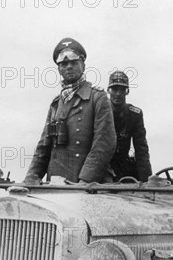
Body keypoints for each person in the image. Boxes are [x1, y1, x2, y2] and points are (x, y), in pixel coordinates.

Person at [25, 38, 116, 184]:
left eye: (74, 62)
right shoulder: (56, 104)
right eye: (64, 64)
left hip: (89, 185)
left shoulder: (98, 97)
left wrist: (85, 181)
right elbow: (44, 146)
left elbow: (104, 144)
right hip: (57, 183)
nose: (69, 67)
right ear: (59, 69)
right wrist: (31, 178)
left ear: (83, 65)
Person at [107, 71, 152, 182]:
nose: (118, 93)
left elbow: (141, 149)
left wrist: (145, 181)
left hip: (123, 167)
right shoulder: (100, 111)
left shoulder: (134, 114)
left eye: (122, 90)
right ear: (109, 91)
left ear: (127, 92)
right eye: (114, 89)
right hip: (102, 166)